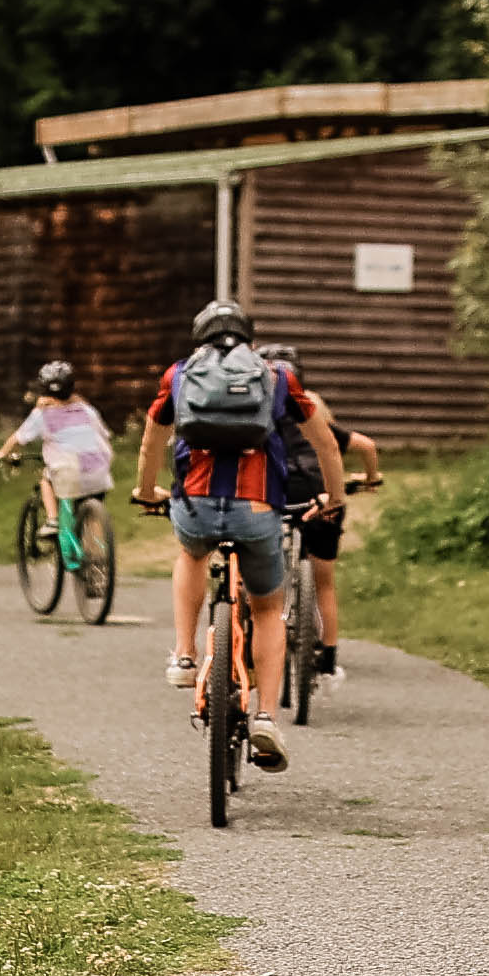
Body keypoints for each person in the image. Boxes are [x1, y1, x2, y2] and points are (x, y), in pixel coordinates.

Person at [130, 299, 342, 772]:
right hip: (257, 508)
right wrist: (335, 496)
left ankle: (185, 656)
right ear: (248, 336)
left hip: (197, 504)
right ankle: (266, 714)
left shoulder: (179, 375)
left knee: (191, 556)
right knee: (268, 607)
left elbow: (152, 439)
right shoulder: (277, 378)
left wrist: (146, 491)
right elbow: (324, 440)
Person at [263, 345, 378, 670]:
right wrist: (370, 479)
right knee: (323, 580)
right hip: (323, 494)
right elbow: (366, 446)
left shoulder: (259, 419)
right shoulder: (314, 412)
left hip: (278, 493)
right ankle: (327, 656)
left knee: (260, 569)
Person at [0, 360, 114, 579]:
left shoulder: (42, 414)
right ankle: (99, 564)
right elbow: (105, 436)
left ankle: (52, 520)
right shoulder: (87, 410)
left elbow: (18, 438)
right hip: (99, 469)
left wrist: (1, 454)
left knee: (47, 478)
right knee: (92, 516)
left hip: (69, 472)